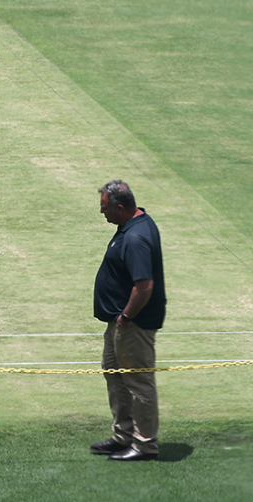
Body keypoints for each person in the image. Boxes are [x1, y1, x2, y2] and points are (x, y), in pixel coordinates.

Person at [91, 179, 166, 462]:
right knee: (115, 376)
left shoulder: (136, 237)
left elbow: (144, 285)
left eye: (104, 208)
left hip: (133, 325)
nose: (102, 213)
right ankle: (123, 436)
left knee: (138, 383)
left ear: (120, 208)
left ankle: (145, 445)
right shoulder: (132, 225)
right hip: (120, 323)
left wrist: (126, 317)